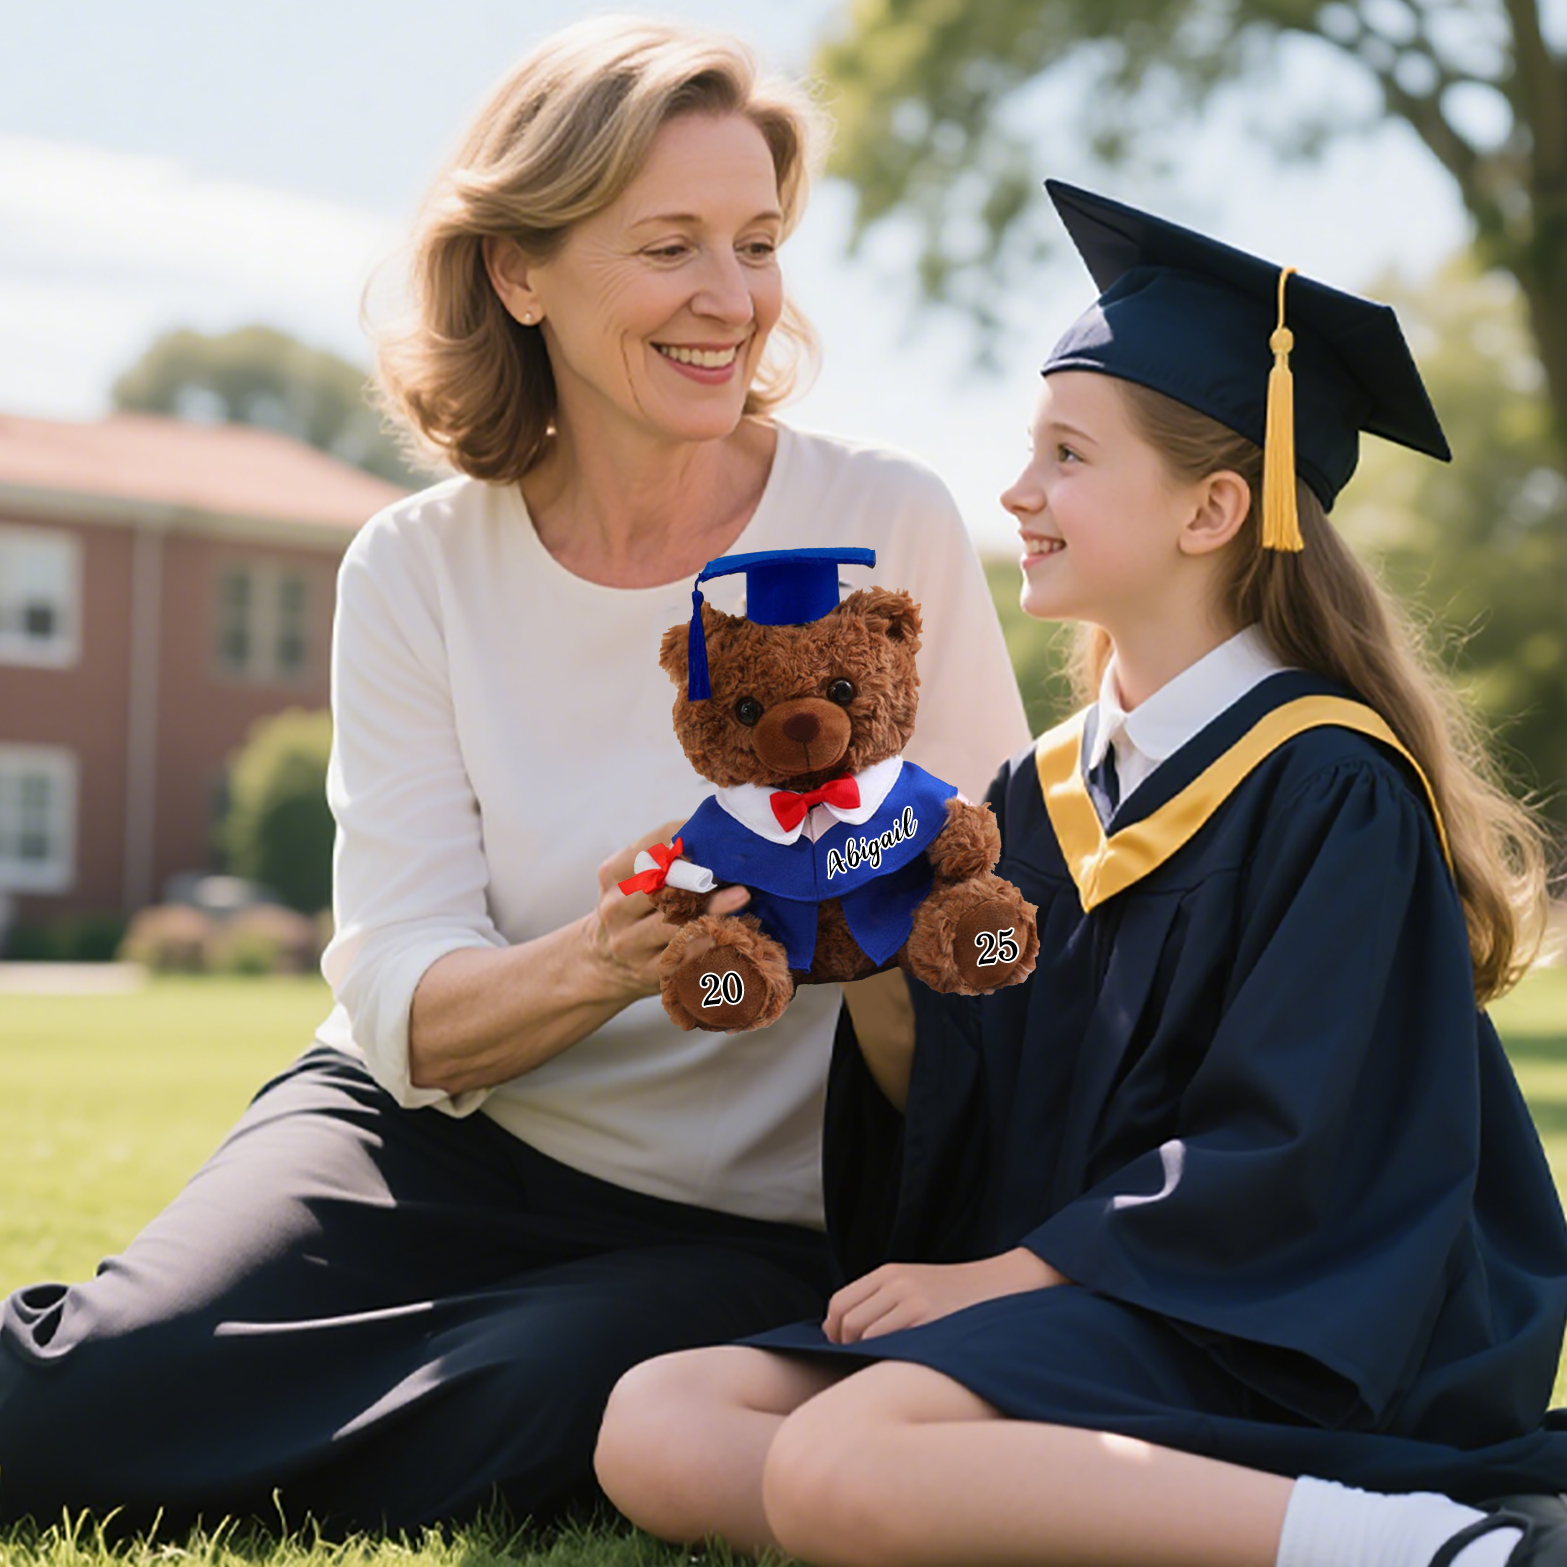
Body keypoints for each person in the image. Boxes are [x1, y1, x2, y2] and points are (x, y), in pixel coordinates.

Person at [0, 19, 1027, 1537]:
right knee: (79, 1401)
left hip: (742, 1218)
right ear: (520, 271)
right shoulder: (416, 568)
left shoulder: (886, 521)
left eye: (756, 244)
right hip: (424, 1133)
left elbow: (1002, 981)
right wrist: (612, 956)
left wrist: (881, 918)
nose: (728, 301)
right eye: (667, 244)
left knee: (544, 1405)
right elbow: (406, 993)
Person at [593, 181, 1567, 1567]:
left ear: (1212, 507)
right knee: (663, 1418)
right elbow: (977, 1085)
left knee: (839, 1460)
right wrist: (865, 956)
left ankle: (1432, 1546)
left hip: (1262, 1327)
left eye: (1067, 455)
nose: (1017, 492)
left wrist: (1005, 1279)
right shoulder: (1030, 801)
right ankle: (1106, 1520)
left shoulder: (1326, 784)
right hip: (1086, 1315)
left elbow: (1295, 1155)